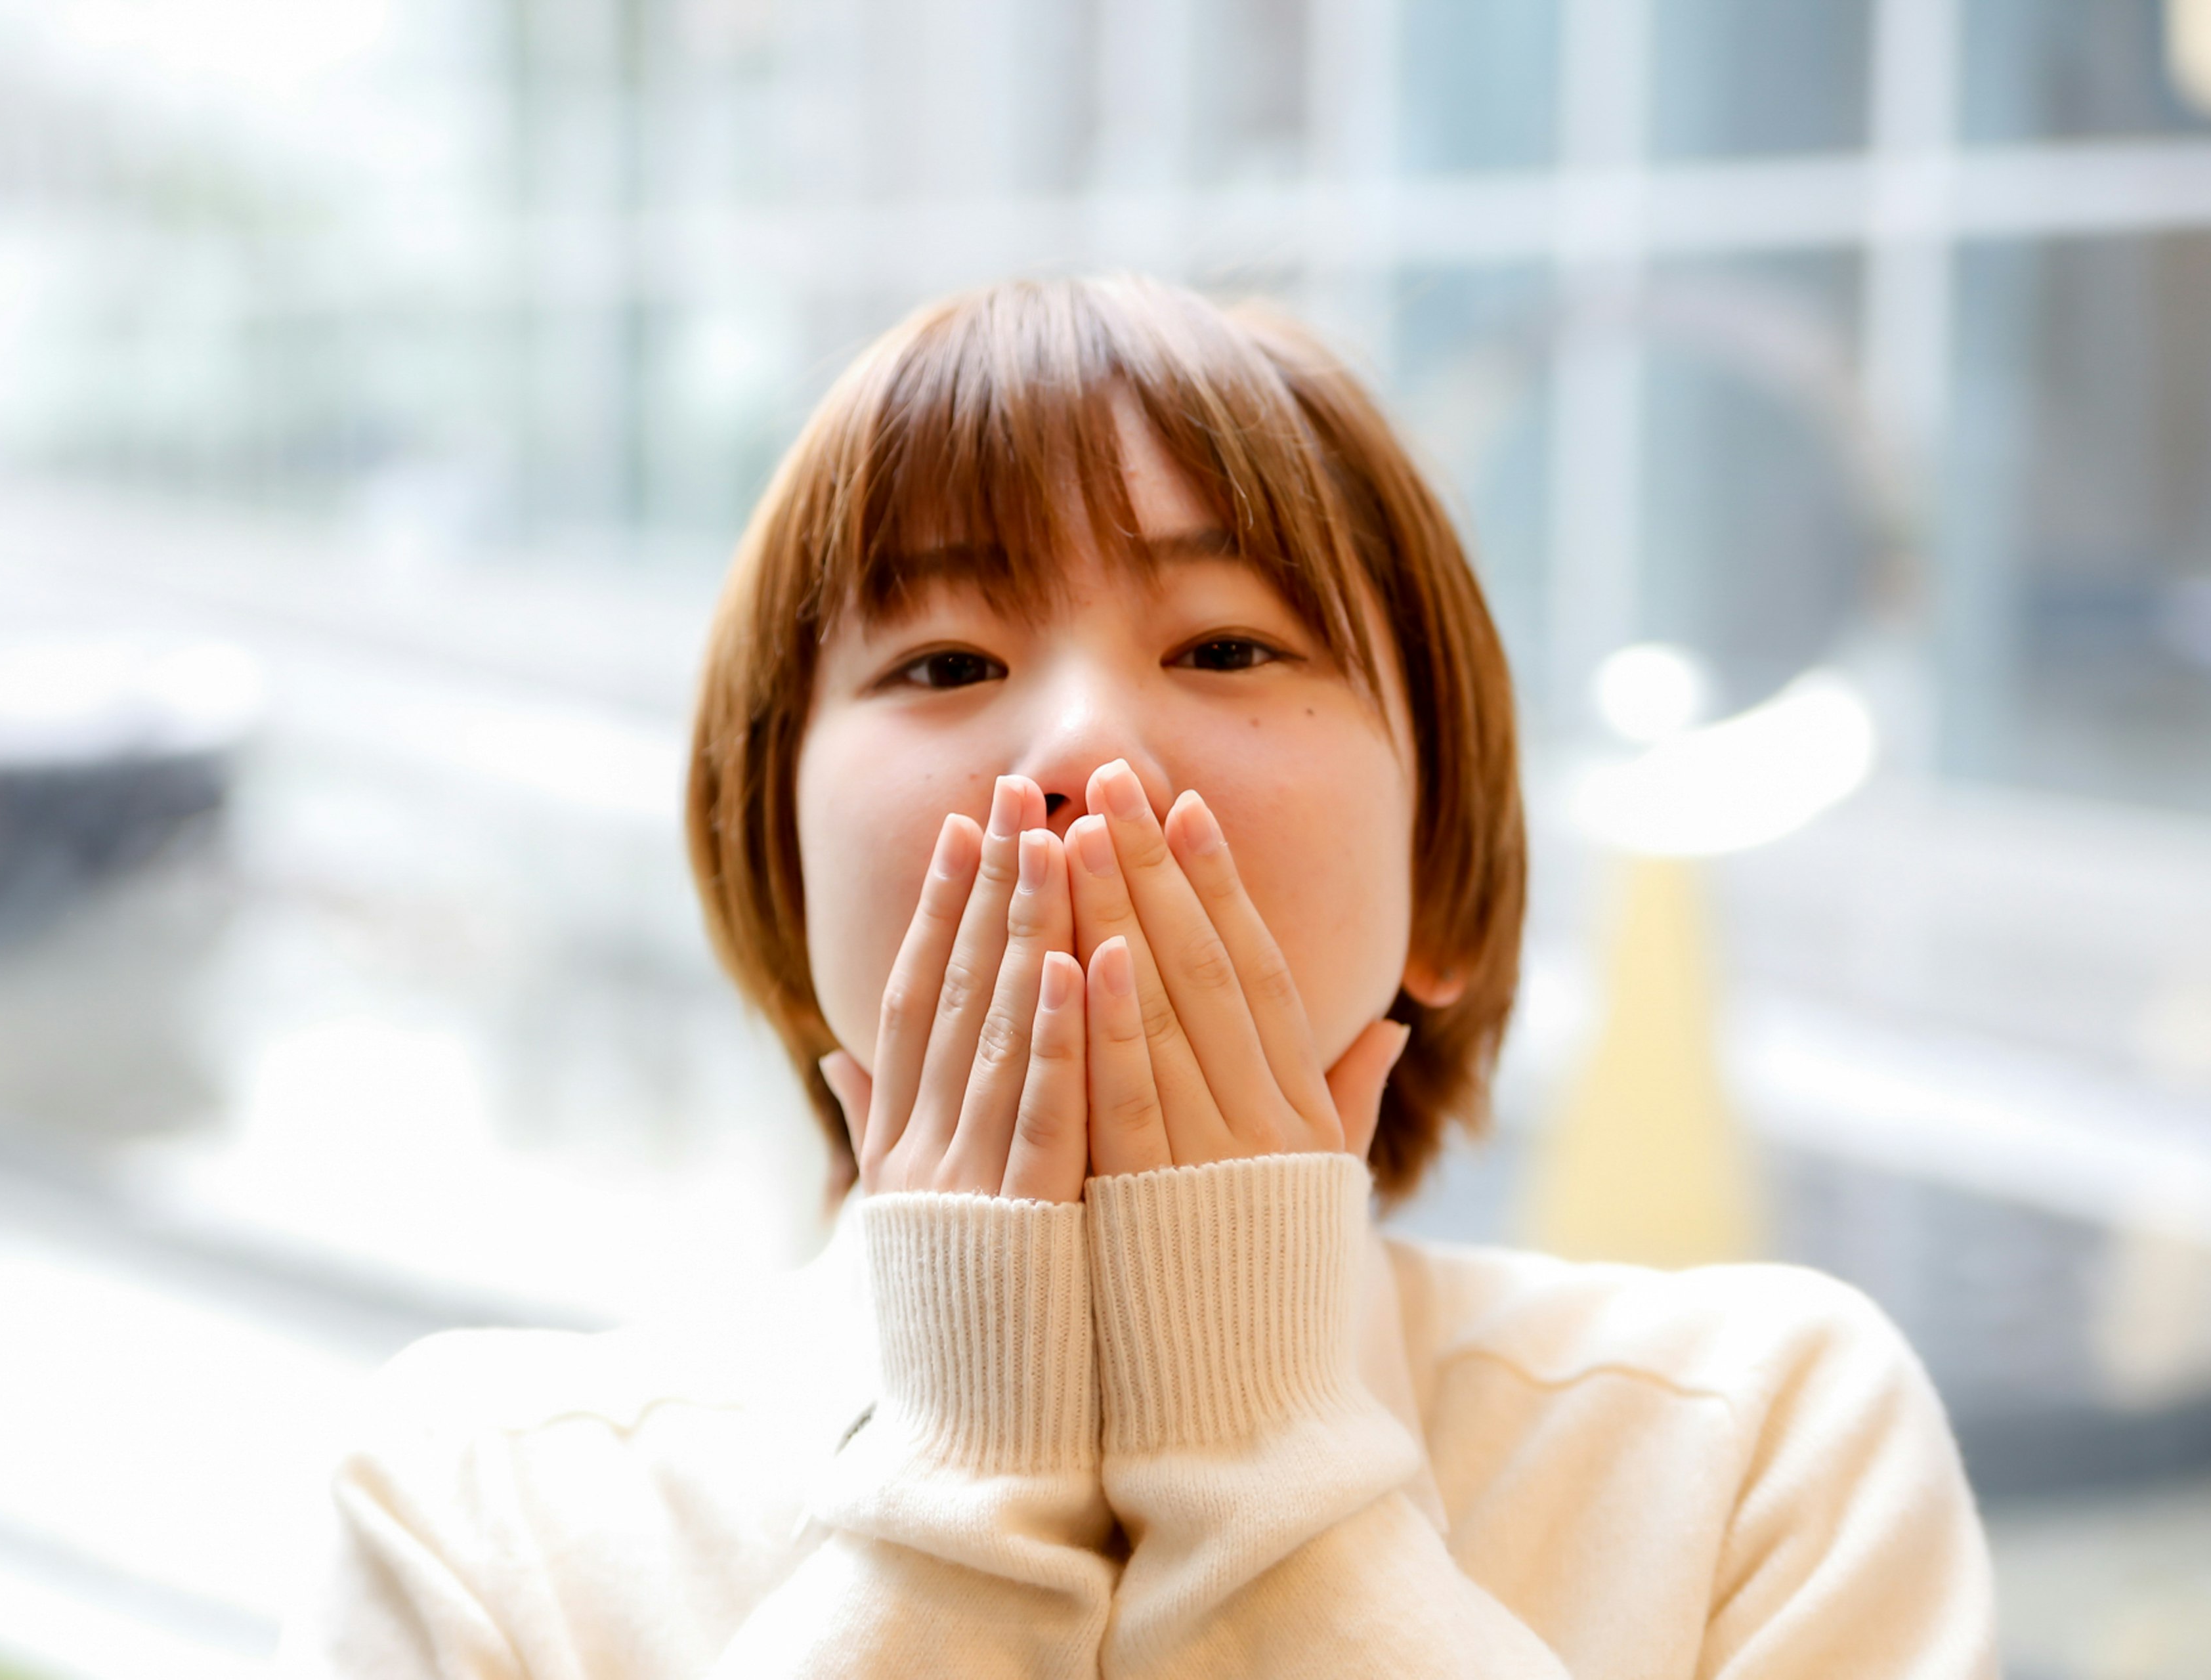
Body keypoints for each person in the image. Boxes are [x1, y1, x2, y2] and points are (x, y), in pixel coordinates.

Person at [277, 274, 1996, 1677]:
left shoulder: (1756, 1447)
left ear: (1444, 890)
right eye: (946, 660)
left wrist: (1267, 1460)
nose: (1085, 745)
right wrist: (953, 1488)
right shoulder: (484, 1504)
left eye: (1230, 647)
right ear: (781, 894)